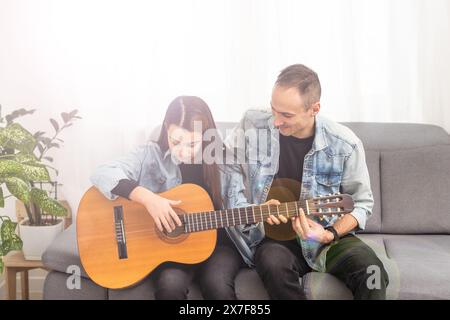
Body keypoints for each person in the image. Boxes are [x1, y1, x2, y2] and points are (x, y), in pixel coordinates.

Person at [226, 64, 389, 299]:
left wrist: (329, 234)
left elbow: (362, 203)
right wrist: (251, 211)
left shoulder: (345, 144)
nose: (275, 122)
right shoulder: (253, 123)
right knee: (273, 264)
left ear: (314, 109)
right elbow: (226, 163)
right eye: (273, 110)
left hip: (328, 240)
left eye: (286, 115)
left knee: (372, 272)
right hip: (275, 242)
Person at [91, 96, 273, 299]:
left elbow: (237, 206)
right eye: (175, 141)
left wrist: (260, 213)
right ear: (166, 128)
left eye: (193, 143)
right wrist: (148, 199)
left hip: (219, 247)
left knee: (218, 286)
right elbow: (103, 172)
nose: (183, 151)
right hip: (173, 249)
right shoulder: (151, 155)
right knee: (170, 285)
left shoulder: (225, 161)